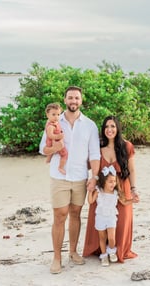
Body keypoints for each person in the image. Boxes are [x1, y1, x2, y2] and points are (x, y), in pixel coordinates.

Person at [39, 86, 100, 274]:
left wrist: (94, 177)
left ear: (81, 101)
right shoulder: (54, 122)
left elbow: (95, 155)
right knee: (60, 216)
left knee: (75, 214)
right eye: (70, 98)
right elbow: (42, 149)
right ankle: (57, 258)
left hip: (80, 176)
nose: (73, 101)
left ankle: (73, 252)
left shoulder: (90, 125)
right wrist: (54, 148)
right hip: (60, 177)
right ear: (65, 100)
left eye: (77, 98)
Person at [83, 115, 139, 263]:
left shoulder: (127, 146)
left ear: (118, 128)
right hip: (102, 190)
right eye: (107, 127)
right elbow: (88, 165)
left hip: (122, 188)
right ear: (103, 129)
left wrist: (134, 189)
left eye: (113, 126)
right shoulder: (98, 147)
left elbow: (132, 170)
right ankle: (100, 249)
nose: (109, 129)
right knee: (100, 218)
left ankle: (118, 250)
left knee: (122, 220)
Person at [88, 165, 119, 267]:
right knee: (102, 237)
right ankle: (104, 255)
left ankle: (111, 251)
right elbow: (90, 201)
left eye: (114, 181)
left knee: (111, 238)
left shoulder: (115, 193)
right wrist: (90, 191)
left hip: (111, 216)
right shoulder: (99, 191)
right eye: (110, 181)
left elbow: (124, 200)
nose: (113, 184)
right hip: (100, 217)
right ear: (104, 181)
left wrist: (132, 199)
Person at [45, 102, 68, 174]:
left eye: (58, 114)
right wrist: (59, 136)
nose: (56, 117)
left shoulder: (54, 123)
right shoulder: (51, 126)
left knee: (51, 152)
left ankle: (48, 159)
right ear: (47, 115)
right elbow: (50, 135)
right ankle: (60, 167)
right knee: (65, 154)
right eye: (53, 114)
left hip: (53, 142)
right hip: (54, 142)